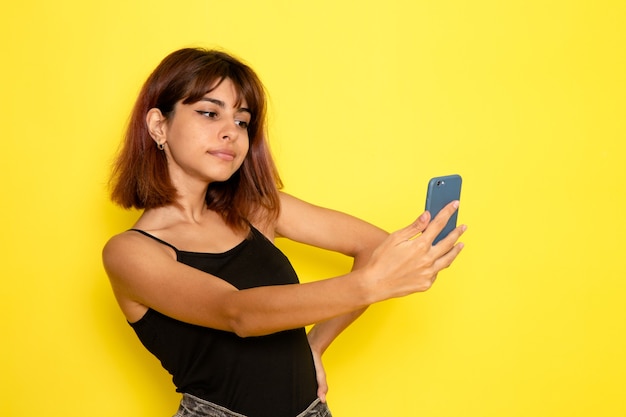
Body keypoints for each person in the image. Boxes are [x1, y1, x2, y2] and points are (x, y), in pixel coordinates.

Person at [102, 47, 466, 417]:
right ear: (158, 126)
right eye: (209, 113)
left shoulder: (254, 208)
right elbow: (237, 314)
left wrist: (316, 345)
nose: (230, 132)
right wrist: (370, 284)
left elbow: (375, 246)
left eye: (242, 121)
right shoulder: (130, 252)